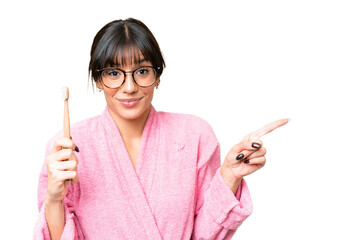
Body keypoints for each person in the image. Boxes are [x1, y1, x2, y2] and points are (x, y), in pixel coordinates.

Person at [34, 18, 288, 240]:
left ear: (157, 75)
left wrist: (230, 176)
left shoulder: (194, 135)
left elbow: (205, 235)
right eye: (113, 73)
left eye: (142, 71)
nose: (129, 87)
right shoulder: (67, 148)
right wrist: (54, 199)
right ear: (98, 79)